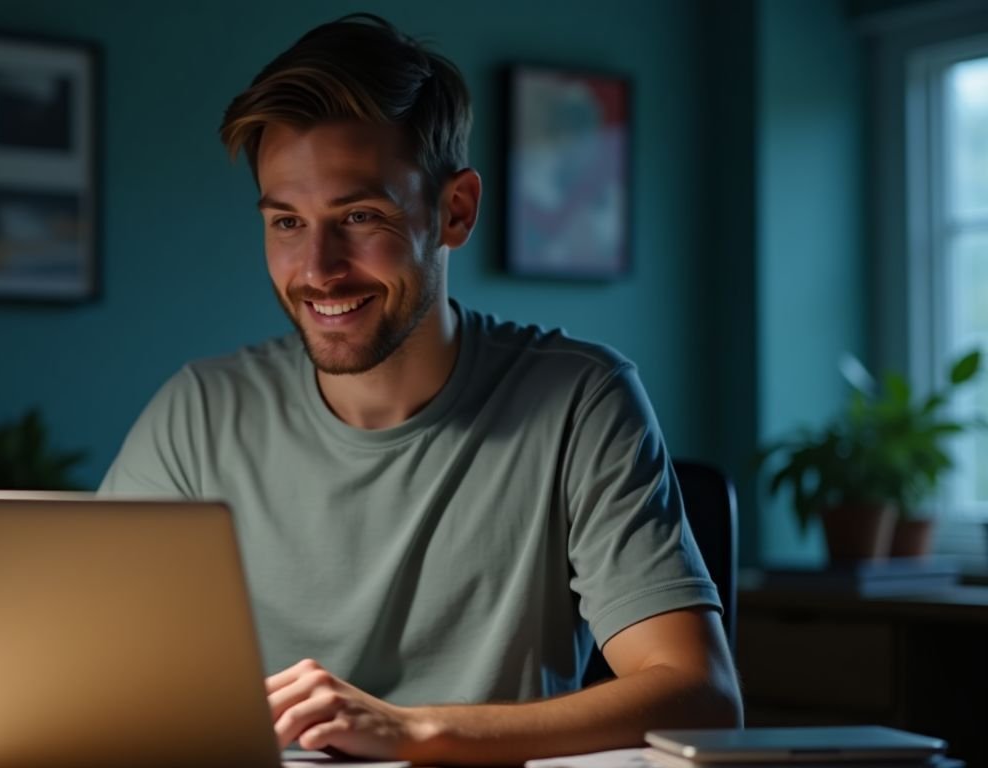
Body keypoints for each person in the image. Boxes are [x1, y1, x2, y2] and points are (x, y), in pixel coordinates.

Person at [99, 13, 742, 766]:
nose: (317, 268)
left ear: (456, 210)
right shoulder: (199, 411)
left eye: (360, 216)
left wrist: (414, 731)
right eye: (285, 222)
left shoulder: (581, 399)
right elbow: (81, 662)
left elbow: (700, 694)